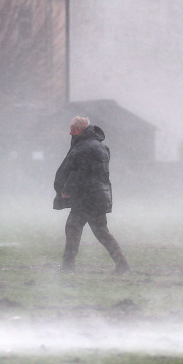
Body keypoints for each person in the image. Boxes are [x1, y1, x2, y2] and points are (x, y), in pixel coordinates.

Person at [53, 116, 131, 274]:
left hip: (86, 197)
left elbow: (80, 172)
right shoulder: (97, 146)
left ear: (79, 129)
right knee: (101, 232)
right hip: (96, 196)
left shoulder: (85, 147)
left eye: (72, 129)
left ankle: (68, 267)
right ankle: (122, 265)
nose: (70, 132)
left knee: (74, 229)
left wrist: (67, 189)